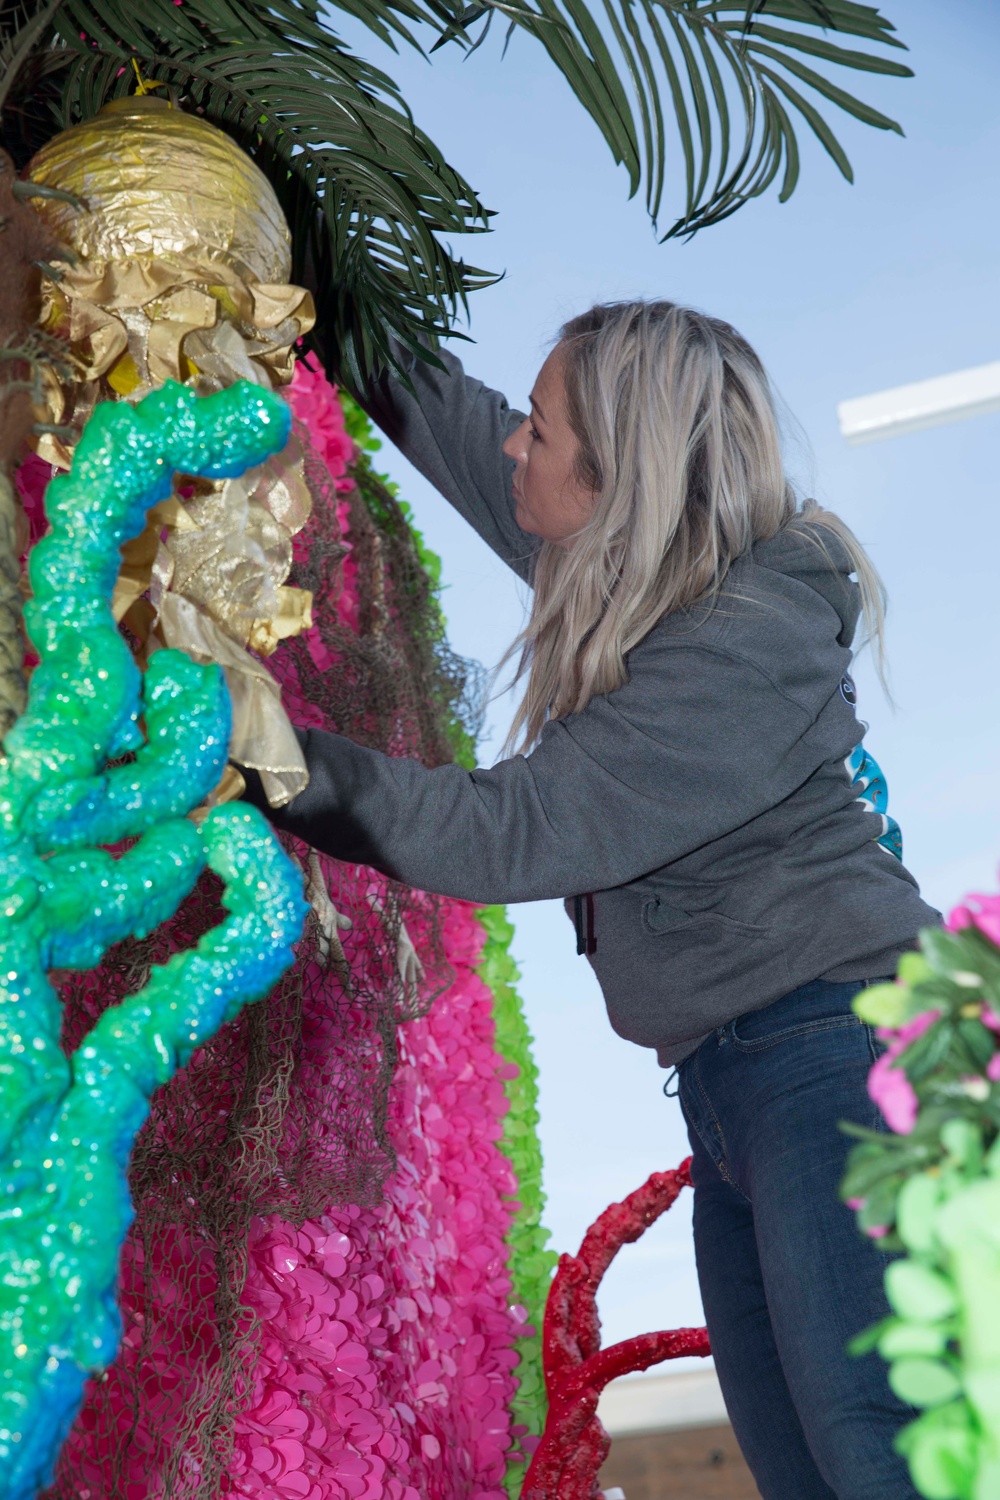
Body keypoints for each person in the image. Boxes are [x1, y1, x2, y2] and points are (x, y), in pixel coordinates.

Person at [242, 300, 936, 1499]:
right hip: (743, 1079)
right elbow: (461, 426)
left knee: (878, 1455)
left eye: (544, 431)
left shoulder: (737, 640)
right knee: (809, 1469)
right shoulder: (635, 565)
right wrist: (327, 289)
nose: (516, 445)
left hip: (838, 1064)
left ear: (619, 476)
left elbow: (517, 831)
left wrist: (272, 753)